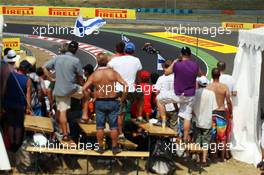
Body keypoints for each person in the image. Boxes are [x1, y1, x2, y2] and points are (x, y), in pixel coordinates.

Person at [82, 52, 128, 155]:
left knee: (100, 126)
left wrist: (91, 97)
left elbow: (84, 88)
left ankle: (100, 147)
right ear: (107, 61)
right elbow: (126, 85)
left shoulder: (94, 74)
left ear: (97, 62)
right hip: (112, 101)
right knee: (114, 126)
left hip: (100, 102)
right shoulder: (113, 73)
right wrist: (122, 99)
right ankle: (115, 148)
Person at [43, 41, 87, 141]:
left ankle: (65, 134)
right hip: (72, 89)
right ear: (76, 50)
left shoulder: (57, 58)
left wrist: (50, 79)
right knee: (86, 93)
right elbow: (80, 78)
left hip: (59, 90)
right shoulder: (76, 61)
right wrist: (82, 85)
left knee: (62, 111)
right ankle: (85, 115)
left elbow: (44, 67)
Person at [157, 47, 199, 142]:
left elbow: (167, 72)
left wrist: (174, 62)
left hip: (178, 94)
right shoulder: (195, 65)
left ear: (181, 54)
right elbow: (197, 74)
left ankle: (163, 121)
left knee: (159, 99)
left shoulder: (177, 64)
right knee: (187, 117)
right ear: (190, 54)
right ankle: (185, 138)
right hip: (190, 95)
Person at [107, 41, 142, 140]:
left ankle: (120, 133)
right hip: (130, 91)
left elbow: (107, 67)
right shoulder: (137, 60)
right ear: (133, 51)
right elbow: (138, 78)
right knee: (141, 95)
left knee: (120, 113)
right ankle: (139, 116)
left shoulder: (116, 60)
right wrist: (138, 88)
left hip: (119, 90)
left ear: (124, 50)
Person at [3, 58, 32, 152]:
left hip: (8, 103)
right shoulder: (27, 79)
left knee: (11, 124)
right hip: (20, 105)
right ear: (27, 70)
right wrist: (28, 107)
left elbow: (4, 89)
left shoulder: (11, 75)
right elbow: (28, 94)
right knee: (19, 125)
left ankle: (11, 143)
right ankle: (17, 144)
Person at [207, 68, 233, 162]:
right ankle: (222, 157)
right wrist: (230, 112)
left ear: (211, 75)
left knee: (213, 136)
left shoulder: (208, 87)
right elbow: (229, 101)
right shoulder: (224, 87)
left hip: (212, 113)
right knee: (222, 137)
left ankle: (213, 156)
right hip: (221, 113)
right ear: (219, 76)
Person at [193, 76, 217, 166]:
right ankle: (204, 160)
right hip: (207, 121)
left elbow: (191, 107)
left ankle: (198, 159)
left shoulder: (195, 93)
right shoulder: (211, 94)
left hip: (197, 121)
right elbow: (214, 108)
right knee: (206, 142)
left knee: (197, 140)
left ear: (199, 84)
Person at [155, 60, 177, 128]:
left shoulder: (161, 78)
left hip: (162, 106)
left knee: (161, 128)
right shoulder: (177, 78)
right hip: (174, 106)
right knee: (174, 127)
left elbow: (156, 92)